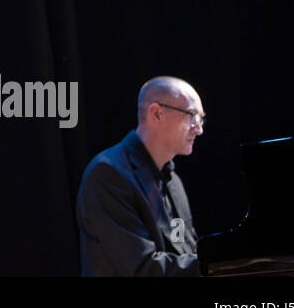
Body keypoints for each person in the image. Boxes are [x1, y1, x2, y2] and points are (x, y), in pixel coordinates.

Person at [76, 76, 205, 276]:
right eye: (191, 115)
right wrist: (211, 268)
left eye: (201, 118)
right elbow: (142, 268)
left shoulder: (173, 182)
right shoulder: (108, 174)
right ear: (157, 113)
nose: (199, 129)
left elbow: (184, 248)